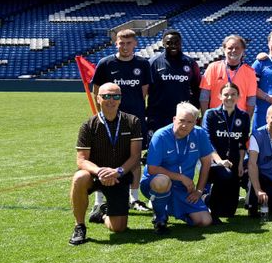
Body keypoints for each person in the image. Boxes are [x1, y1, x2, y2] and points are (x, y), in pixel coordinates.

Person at [69, 83, 142, 245]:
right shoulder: (88, 125)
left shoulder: (132, 121)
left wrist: (118, 171)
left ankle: (101, 214)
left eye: (115, 96)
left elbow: (135, 155)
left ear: (120, 99)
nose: (111, 100)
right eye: (106, 96)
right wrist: (100, 171)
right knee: (79, 177)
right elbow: (81, 160)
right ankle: (79, 226)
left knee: (119, 228)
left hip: (119, 176)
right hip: (95, 175)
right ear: (98, 99)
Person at [92, 28, 151, 213]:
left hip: (135, 120)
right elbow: (97, 92)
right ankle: (99, 200)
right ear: (115, 43)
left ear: (135, 44)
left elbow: (144, 92)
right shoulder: (105, 63)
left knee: (134, 158)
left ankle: (134, 199)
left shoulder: (142, 64)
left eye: (128, 43)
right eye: (121, 43)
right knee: (104, 156)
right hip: (110, 119)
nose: (124, 46)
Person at [141, 102, 216, 233]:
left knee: (205, 221)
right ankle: (160, 217)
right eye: (181, 120)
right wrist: (181, 177)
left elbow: (206, 163)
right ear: (174, 119)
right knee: (162, 182)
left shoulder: (200, 134)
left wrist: (199, 191)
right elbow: (152, 168)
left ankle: (171, 208)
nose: (184, 125)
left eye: (189, 122)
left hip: (183, 188)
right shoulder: (160, 136)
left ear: (195, 123)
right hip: (155, 183)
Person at [203, 82, 252, 219]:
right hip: (214, 161)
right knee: (224, 173)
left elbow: (243, 142)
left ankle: (207, 199)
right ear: (220, 96)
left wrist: (241, 163)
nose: (229, 98)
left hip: (235, 161)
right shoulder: (211, 114)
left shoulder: (244, 116)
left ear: (238, 96)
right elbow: (208, 141)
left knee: (229, 212)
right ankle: (209, 201)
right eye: (226, 94)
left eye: (233, 95)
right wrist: (219, 161)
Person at [146, 29, 200, 135]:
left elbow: (197, 88)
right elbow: (146, 89)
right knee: (158, 147)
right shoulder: (153, 63)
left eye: (176, 43)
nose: (173, 46)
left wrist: (194, 110)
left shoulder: (190, 63)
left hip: (183, 116)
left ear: (181, 43)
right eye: (169, 43)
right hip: (158, 116)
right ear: (163, 43)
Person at [199, 34, 257, 115]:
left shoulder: (250, 72)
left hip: (238, 118)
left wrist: (247, 121)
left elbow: (251, 100)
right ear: (224, 49)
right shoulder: (213, 68)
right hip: (216, 116)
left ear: (243, 50)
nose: (233, 50)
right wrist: (205, 117)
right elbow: (204, 95)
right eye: (230, 48)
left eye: (237, 48)